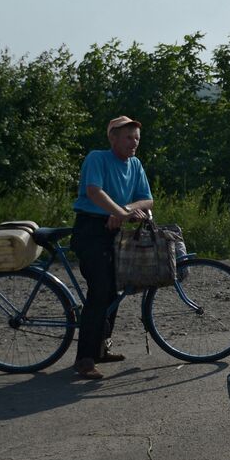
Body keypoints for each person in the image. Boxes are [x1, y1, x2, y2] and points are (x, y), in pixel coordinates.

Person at [70, 115, 154, 379]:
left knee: (115, 289)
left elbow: (147, 199)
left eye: (136, 139)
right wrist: (119, 211)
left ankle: (100, 348)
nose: (134, 143)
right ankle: (84, 359)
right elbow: (95, 192)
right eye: (128, 137)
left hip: (115, 232)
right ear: (113, 138)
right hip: (91, 230)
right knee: (100, 289)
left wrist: (125, 211)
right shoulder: (97, 158)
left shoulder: (136, 164)